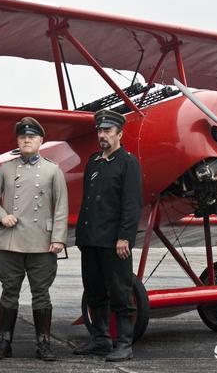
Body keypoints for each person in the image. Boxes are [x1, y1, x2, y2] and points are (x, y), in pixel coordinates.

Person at [0, 117, 68, 361]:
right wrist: (2, 216)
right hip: (11, 241)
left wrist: (59, 239)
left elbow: (61, 206)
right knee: (9, 291)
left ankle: (44, 343)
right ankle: (4, 342)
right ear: (18, 141)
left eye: (31, 137)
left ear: (41, 141)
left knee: (41, 293)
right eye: (22, 137)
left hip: (42, 243)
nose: (27, 140)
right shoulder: (6, 169)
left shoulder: (53, 170)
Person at [73, 109, 142, 362]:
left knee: (121, 294)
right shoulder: (94, 161)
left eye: (107, 131)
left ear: (119, 134)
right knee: (94, 292)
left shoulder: (128, 162)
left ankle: (124, 343)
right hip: (90, 239)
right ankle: (100, 339)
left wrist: (125, 236)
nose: (102, 135)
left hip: (114, 243)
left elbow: (132, 204)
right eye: (100, 131)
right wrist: (82, 236)